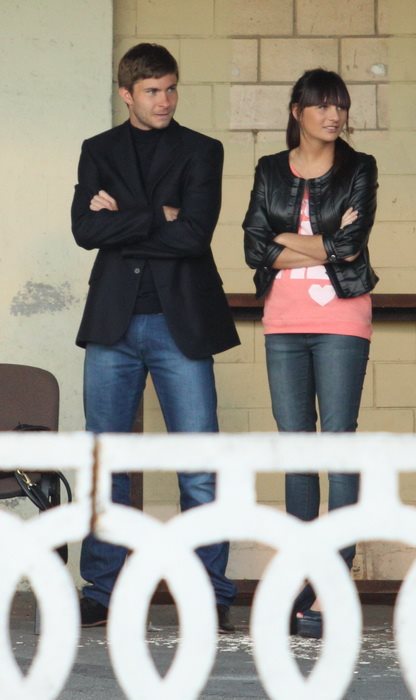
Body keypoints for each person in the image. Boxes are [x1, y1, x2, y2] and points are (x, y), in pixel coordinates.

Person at [71, 43, 240, 633]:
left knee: (198, 463)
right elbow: (84, 229)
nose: (164, 100)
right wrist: (156, 215)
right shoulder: (98, 149)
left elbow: (193, 236)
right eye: (151, 91)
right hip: (111, 324)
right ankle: (103, 588)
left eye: (170, 89)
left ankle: (210, 592)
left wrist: (123, 217)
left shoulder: (202, 150)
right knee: (106, 462)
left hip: (180, 322)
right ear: (126, 93)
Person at [243, 68, 378, 639]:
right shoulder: (270, 169)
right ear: (297, 111)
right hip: (283, 319)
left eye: (340, 106)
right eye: (322, 105)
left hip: (341, 317)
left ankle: (332, 581)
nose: (334, 115)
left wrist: (284, 240)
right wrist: (321, 244)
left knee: (338, 441)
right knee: (296, 445)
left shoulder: (359, 168)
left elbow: (350, 247)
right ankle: (301, 575)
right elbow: (252, 246)